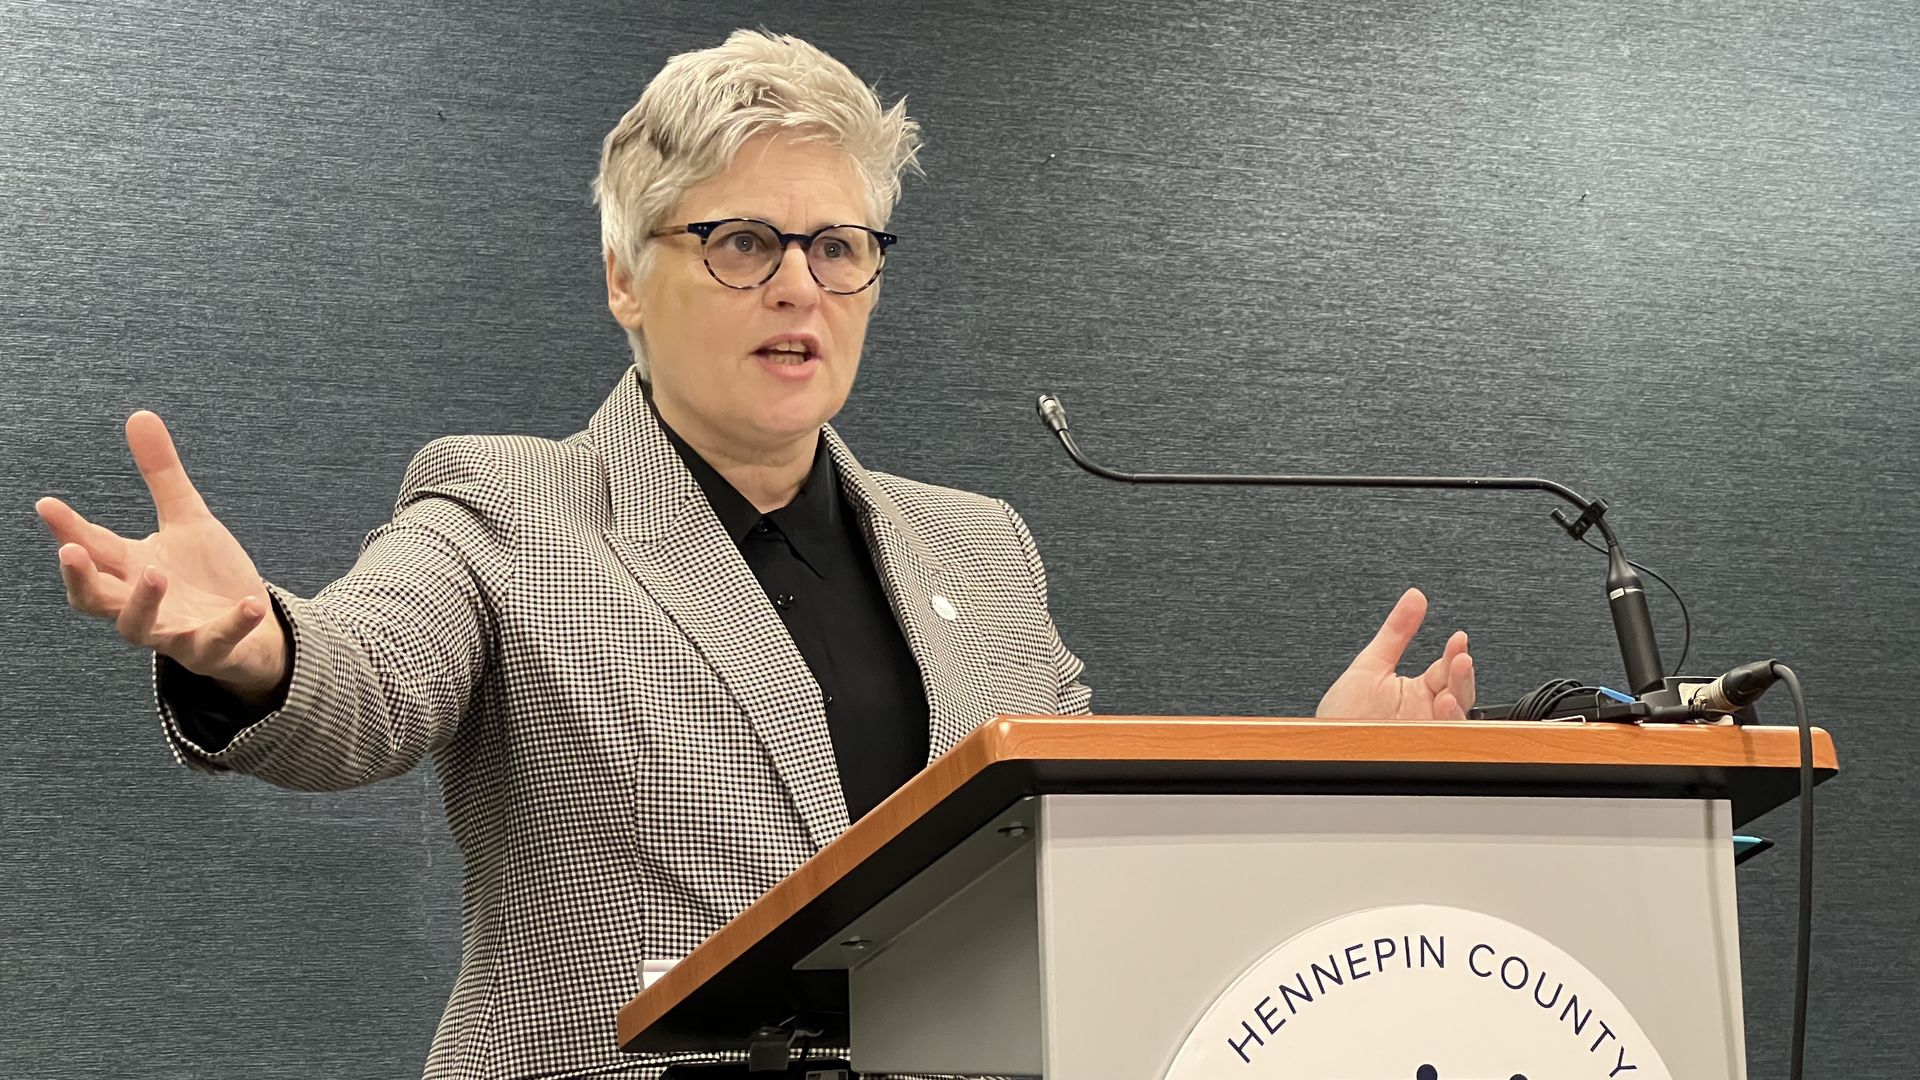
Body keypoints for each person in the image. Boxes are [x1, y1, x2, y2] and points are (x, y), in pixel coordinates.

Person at [34, 29, 1476, 1080]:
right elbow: (367, 683)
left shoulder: (979, 543)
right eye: (741, 242)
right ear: (625, 276)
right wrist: (261, 654)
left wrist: (1306, 773)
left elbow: (1078, 847)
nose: (800, 284)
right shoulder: (506, 505)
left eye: (839, 245)